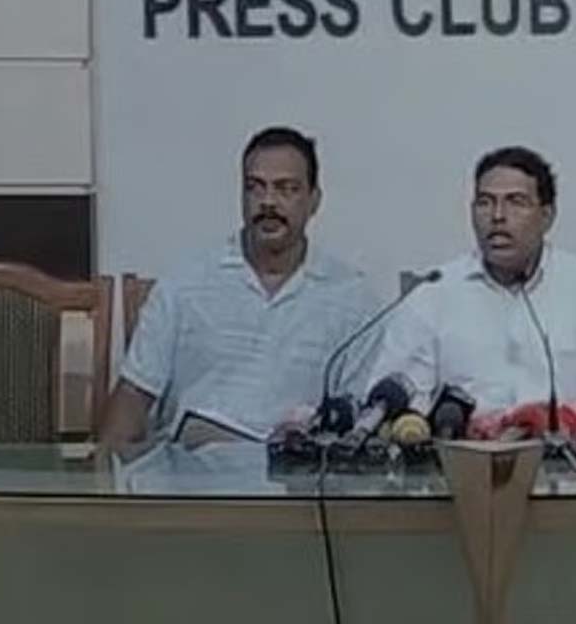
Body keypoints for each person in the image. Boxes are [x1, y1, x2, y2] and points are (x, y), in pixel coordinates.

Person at [101, 126, 378, 454]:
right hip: (192, 474)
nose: (268, 202)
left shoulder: (351, 298)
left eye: (286, 189)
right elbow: (133, 396)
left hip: (295, 478)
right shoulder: (185, 284)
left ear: (314, 200)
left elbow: (363, 417)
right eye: (254, 187)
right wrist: (110, 469)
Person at [368, 145, 576, 421]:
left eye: (516, 202)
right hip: (461, 460)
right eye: (485, 202)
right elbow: (391, 406)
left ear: (547, 216)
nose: (498, 216)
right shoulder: (433, 295)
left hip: (572, 462)